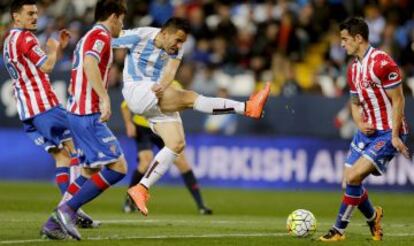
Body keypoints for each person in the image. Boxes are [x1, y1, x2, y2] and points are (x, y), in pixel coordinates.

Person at [112, 17, 271, 216]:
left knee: (176, 143)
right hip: (136, 90)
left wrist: (163, 84)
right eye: (177, 40)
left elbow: (170, 72)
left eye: (183, 42)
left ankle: (141, 187)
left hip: (154, 93)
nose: (179, 45)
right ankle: (247, 107)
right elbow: (105, 39)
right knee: (190, 98)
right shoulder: (140, 35)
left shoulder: (177, 48)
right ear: (164, 33)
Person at [3, 0, 96, 240]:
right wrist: (54, 48)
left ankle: (71, 210)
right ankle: (67, 211)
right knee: (84, 149)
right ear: (16, 17)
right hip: (44, 105)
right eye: (29, 13)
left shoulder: (8, 41)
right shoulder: (26, 38)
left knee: (62, 155)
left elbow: (32, 69)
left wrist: (57, 47)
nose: (35, 17)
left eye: (36, 13)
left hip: (28, 112)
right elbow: (46, 66)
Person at [42, 0, 127, 240]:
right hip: (87, 113)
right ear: (113, 16)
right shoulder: (100, 36)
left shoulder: (88, 36)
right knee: (118, 167)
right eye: (121, 19)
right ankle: (66, 211)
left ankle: (52, 224)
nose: (122, 24)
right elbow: (90, 64)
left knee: (89, 171)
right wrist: (104, 98)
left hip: (77, 111)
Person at [319, 17, 410, 242]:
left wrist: (396, 135)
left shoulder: (382, 63)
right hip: (366, 131)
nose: (341, 44)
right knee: (348, 181)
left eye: (344, 39)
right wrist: (359, 123)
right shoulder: (353, 69)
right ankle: (373, 217)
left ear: (358, 38)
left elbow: (398, 101)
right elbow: (354, 103)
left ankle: (338, 230)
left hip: (388, 131)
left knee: (352, 177)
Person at [120, 98, 213, 215]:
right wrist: (128, 123)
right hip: (143, 128)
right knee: (145, 162)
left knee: (182, 163)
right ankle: (129, 202)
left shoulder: (174, 85)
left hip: (164, 127)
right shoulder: (145, 85)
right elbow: (125, 106)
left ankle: (201, 205)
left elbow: (181, 105)